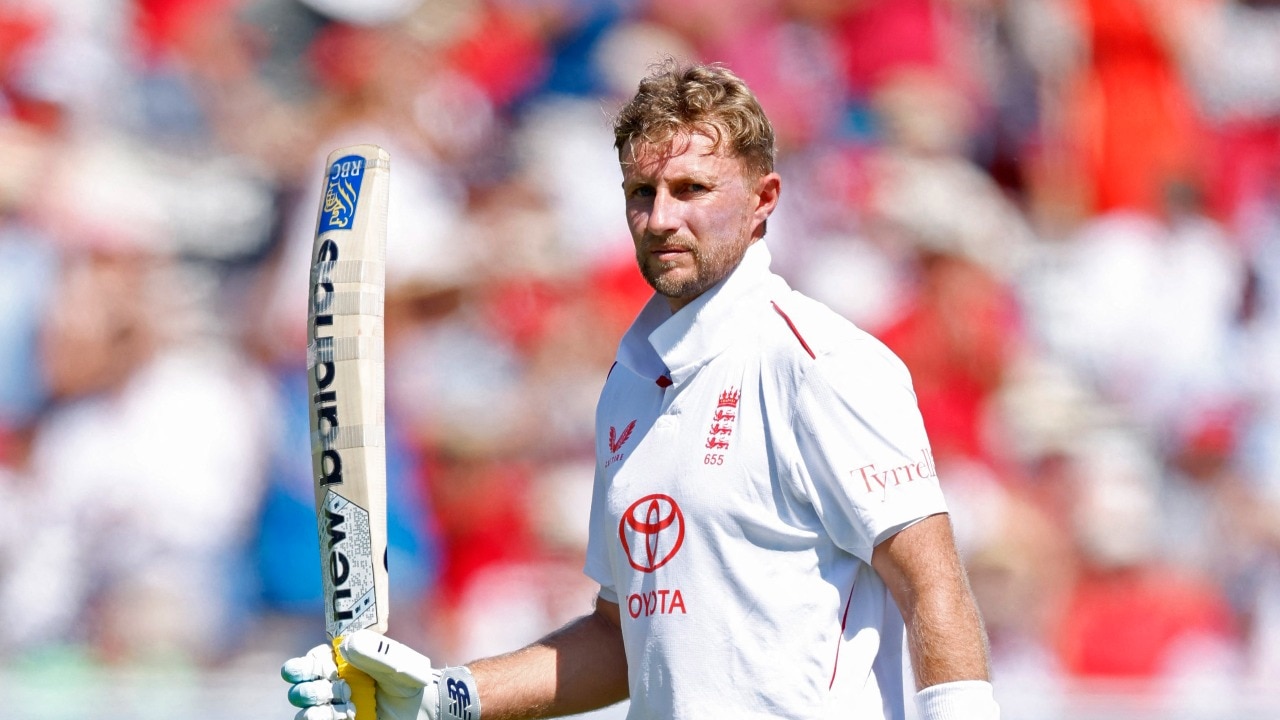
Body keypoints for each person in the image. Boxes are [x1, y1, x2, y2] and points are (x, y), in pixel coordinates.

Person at [283, 59, 999, 720]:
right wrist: (445, 698)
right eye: (641, 193)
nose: (661, 219)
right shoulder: (629, 384)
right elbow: (623, 635)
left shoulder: (821, 361)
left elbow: (932, 585)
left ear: (763, 200)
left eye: (692, 189)